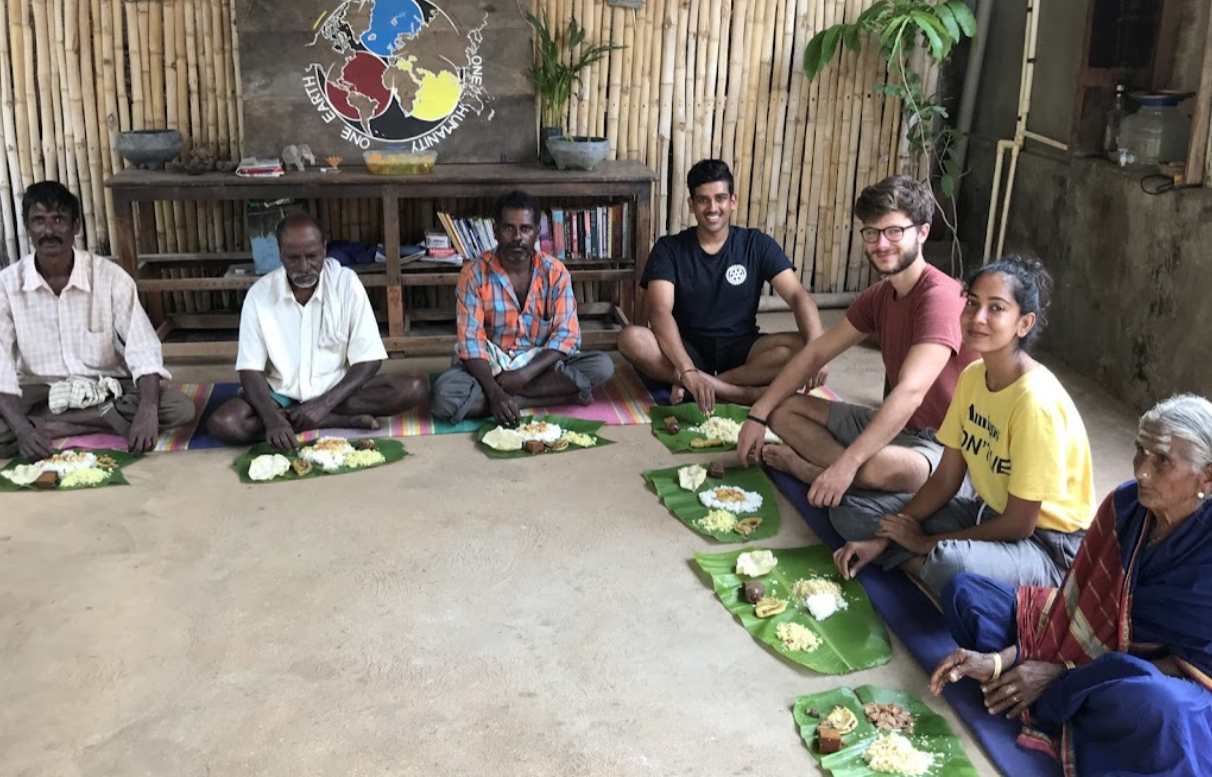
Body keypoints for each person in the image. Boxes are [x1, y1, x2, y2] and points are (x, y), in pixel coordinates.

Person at [930, 394, 1212, 777]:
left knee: (1158, 709)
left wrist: (1062, 675)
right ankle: (1061, 696)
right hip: (1090, 652)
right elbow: (1075, 609)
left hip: (1157, 681)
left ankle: (1061, 695)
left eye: (1162, 461)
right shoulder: (1126, 505)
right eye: (1140, 452)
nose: (1142, 472)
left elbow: (1190, 667)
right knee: (966, 594)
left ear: (1207, 476)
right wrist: (1011, 657)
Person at [830, 256, 1096, 595]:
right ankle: (925, 566)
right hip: (986, 512)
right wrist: (887, 537)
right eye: (972, 303)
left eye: (996, 308)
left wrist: (926, 542)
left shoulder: (1035, 402)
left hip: (1046, 547)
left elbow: (1020, 524)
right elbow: (945, 479)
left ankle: (933, 567)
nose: (977, 317)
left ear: (1024, 324)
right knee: (851, 512)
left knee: (951, 563)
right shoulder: (973, 377)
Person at [737, 175, 977, 512]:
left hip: (946, 448)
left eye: (894, 231)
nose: (882, 243)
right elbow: (817, 351)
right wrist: (758, 414)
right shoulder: (880, 294)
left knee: (870, 486)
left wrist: (848, 464)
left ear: (922, 232)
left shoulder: (939, 297)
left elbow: (910, 391)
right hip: (898, 430)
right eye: (872, 232)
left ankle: (816, 471)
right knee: (781, 409)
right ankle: (851, 477)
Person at [0, 181, 195, 459]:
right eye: (39, 221)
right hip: (38, 390)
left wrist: (148, 410)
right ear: (28, 228)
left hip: (105, 388)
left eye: (58, 220)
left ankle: (53, 426)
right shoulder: (6, 286)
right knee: (8, 418)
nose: (48, 231)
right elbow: (1, 367)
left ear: (76, 225)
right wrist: (22, 430)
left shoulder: (110, 278)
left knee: (179, 408)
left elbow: (143, 349)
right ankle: (98, 420)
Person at [617, 158, 826, 414]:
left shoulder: (756, 244)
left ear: (733, 201)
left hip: (742, 349)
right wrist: (686, 368)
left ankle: (707, 386)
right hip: (686, 348)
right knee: (631, 339)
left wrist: (818, 351)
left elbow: (798, 296)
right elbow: (659, 313)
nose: (712, 207)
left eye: (720, 198)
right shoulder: (668, 249)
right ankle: (734, 391)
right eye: (703, 200)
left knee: (805, 346)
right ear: (691, 205)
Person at [206, 213, 427, 449]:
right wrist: (271, 420)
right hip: (281, 392)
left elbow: (370, 360)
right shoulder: (259, 295)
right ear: (280, 253)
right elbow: (250, 369)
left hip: (338, 392)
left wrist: (323, 404)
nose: (303, 267)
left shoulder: (346, 283)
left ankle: (310, 417)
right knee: (224, 424)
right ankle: (330, 421)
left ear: (324, 249)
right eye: (293, 258)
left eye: (312, 256)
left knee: (413, 390)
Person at [429, 191, 614, 425]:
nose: (517, 237)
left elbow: (566, 336)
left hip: (538, 367)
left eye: (525, 229)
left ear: (537, 231)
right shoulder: (473, 274)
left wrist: (523, 375)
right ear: (495, 231)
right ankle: (548, 398)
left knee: (602, 366)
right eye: (509, 228)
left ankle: (516, 401)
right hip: (491, 368)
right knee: (443, 397)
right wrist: (494, 392)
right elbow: (471, 343)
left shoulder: (555, 272)